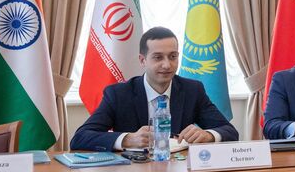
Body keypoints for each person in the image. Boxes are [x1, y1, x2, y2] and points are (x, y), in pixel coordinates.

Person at [70, 27, 238, 151]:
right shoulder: (118, 94)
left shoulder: (193, 90)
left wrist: (208, 135)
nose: (167, 65)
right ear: (142, 60)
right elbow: (80, 137)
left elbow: (230, 131)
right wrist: (127, 139)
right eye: (158, 57)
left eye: (173, 57)